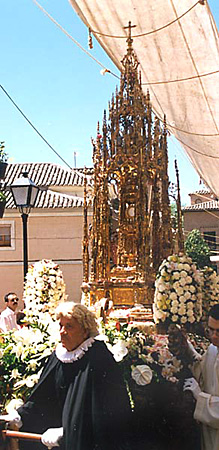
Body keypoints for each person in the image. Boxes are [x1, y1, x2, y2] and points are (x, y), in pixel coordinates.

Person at [3, 302, 133, 450]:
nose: (62, 332)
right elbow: (43, 397)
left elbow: (104, 414)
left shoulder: (99, 358)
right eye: (60, 326)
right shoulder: (58, 356)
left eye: (69, 326)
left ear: (85, 330)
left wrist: (68, 432)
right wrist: (21, 416)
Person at [183, 303, 219, 450]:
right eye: (211, 330)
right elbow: (204, 371)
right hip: (210, 429)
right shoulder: (212, 349)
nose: (214, 336)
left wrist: (200, 397)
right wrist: (188, 350)